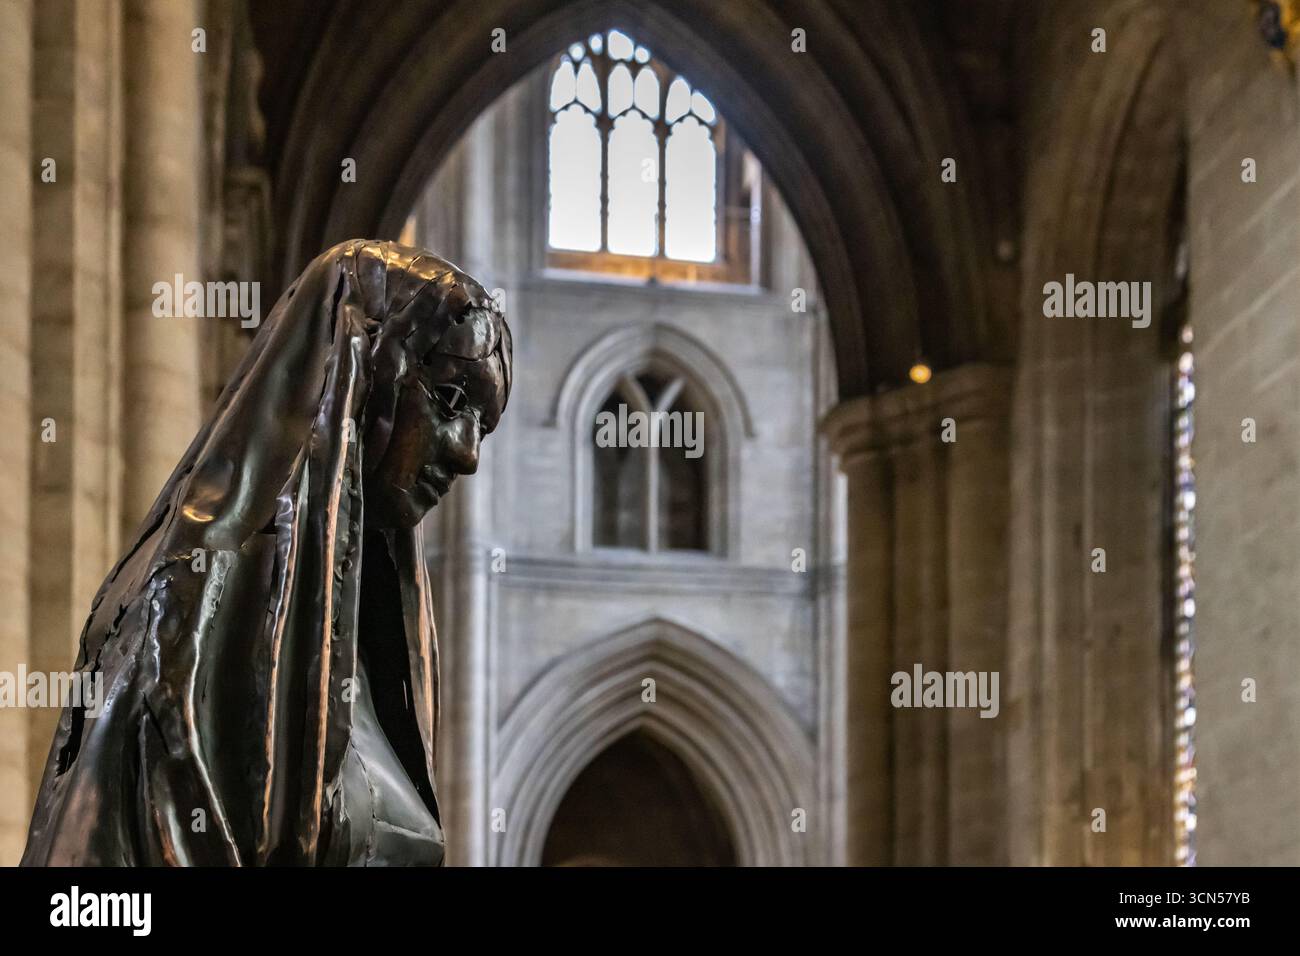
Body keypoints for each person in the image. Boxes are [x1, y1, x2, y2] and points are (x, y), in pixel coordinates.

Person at [22, 239, 511, 866]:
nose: (468, 454)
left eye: (482, 424)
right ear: (358, 377)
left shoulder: (369, 652)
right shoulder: (188, 615)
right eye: (449, 399)